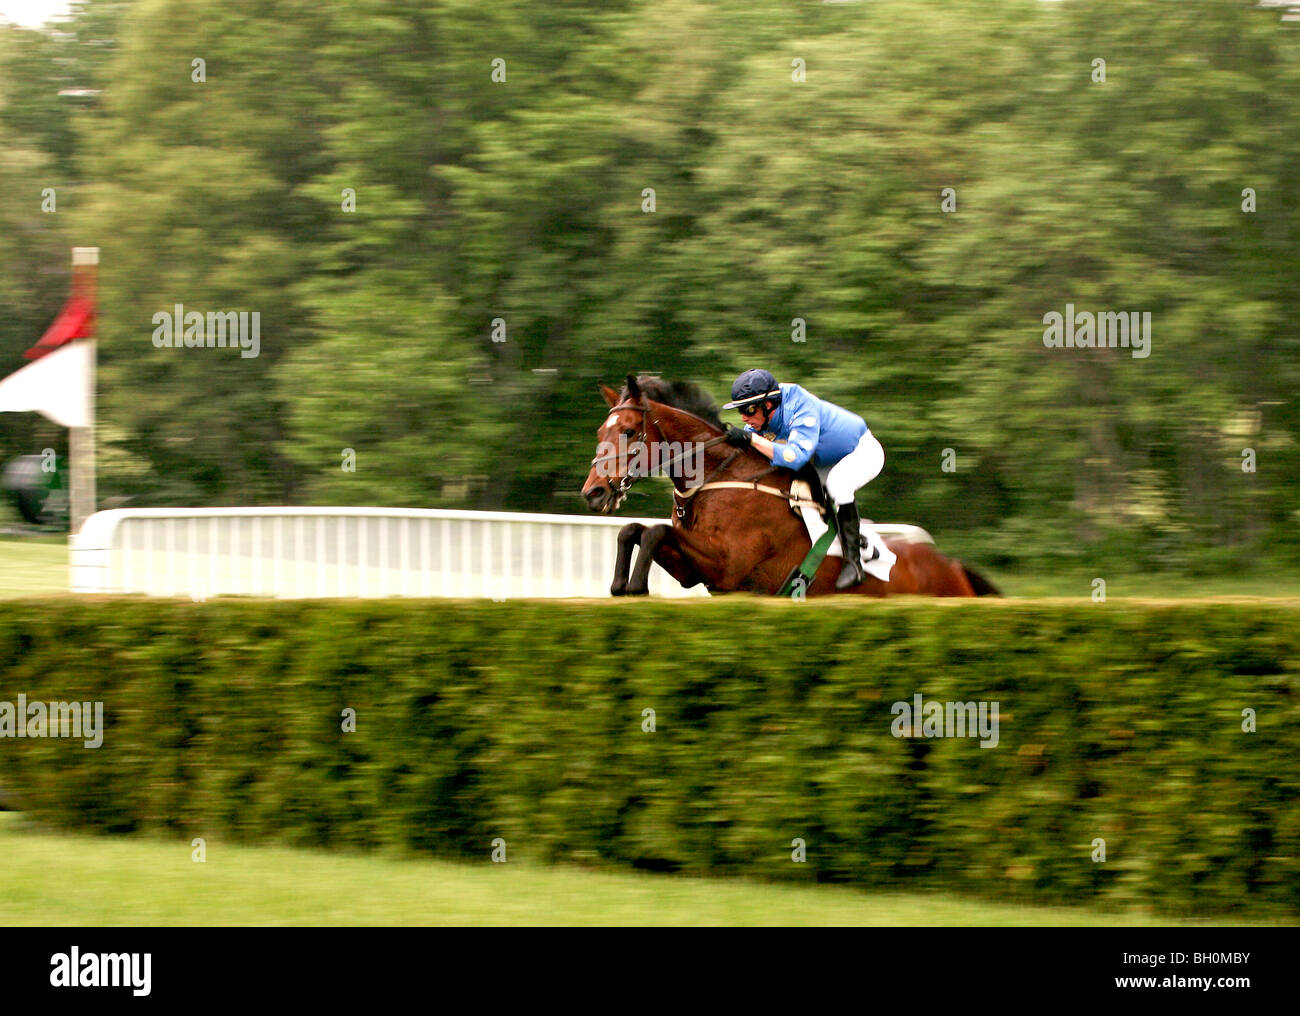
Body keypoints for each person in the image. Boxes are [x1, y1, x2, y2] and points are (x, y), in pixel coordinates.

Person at [722, 368, 883, 590]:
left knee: (838, 484)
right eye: (741, 410)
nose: (744, 418)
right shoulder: (764, 415)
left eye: (747, 410)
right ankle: (862, 543)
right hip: (824, 461)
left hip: (861, 452)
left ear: (767, 405)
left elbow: (794, 457)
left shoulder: (801, 407)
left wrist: (750, 439)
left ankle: (853, 564)